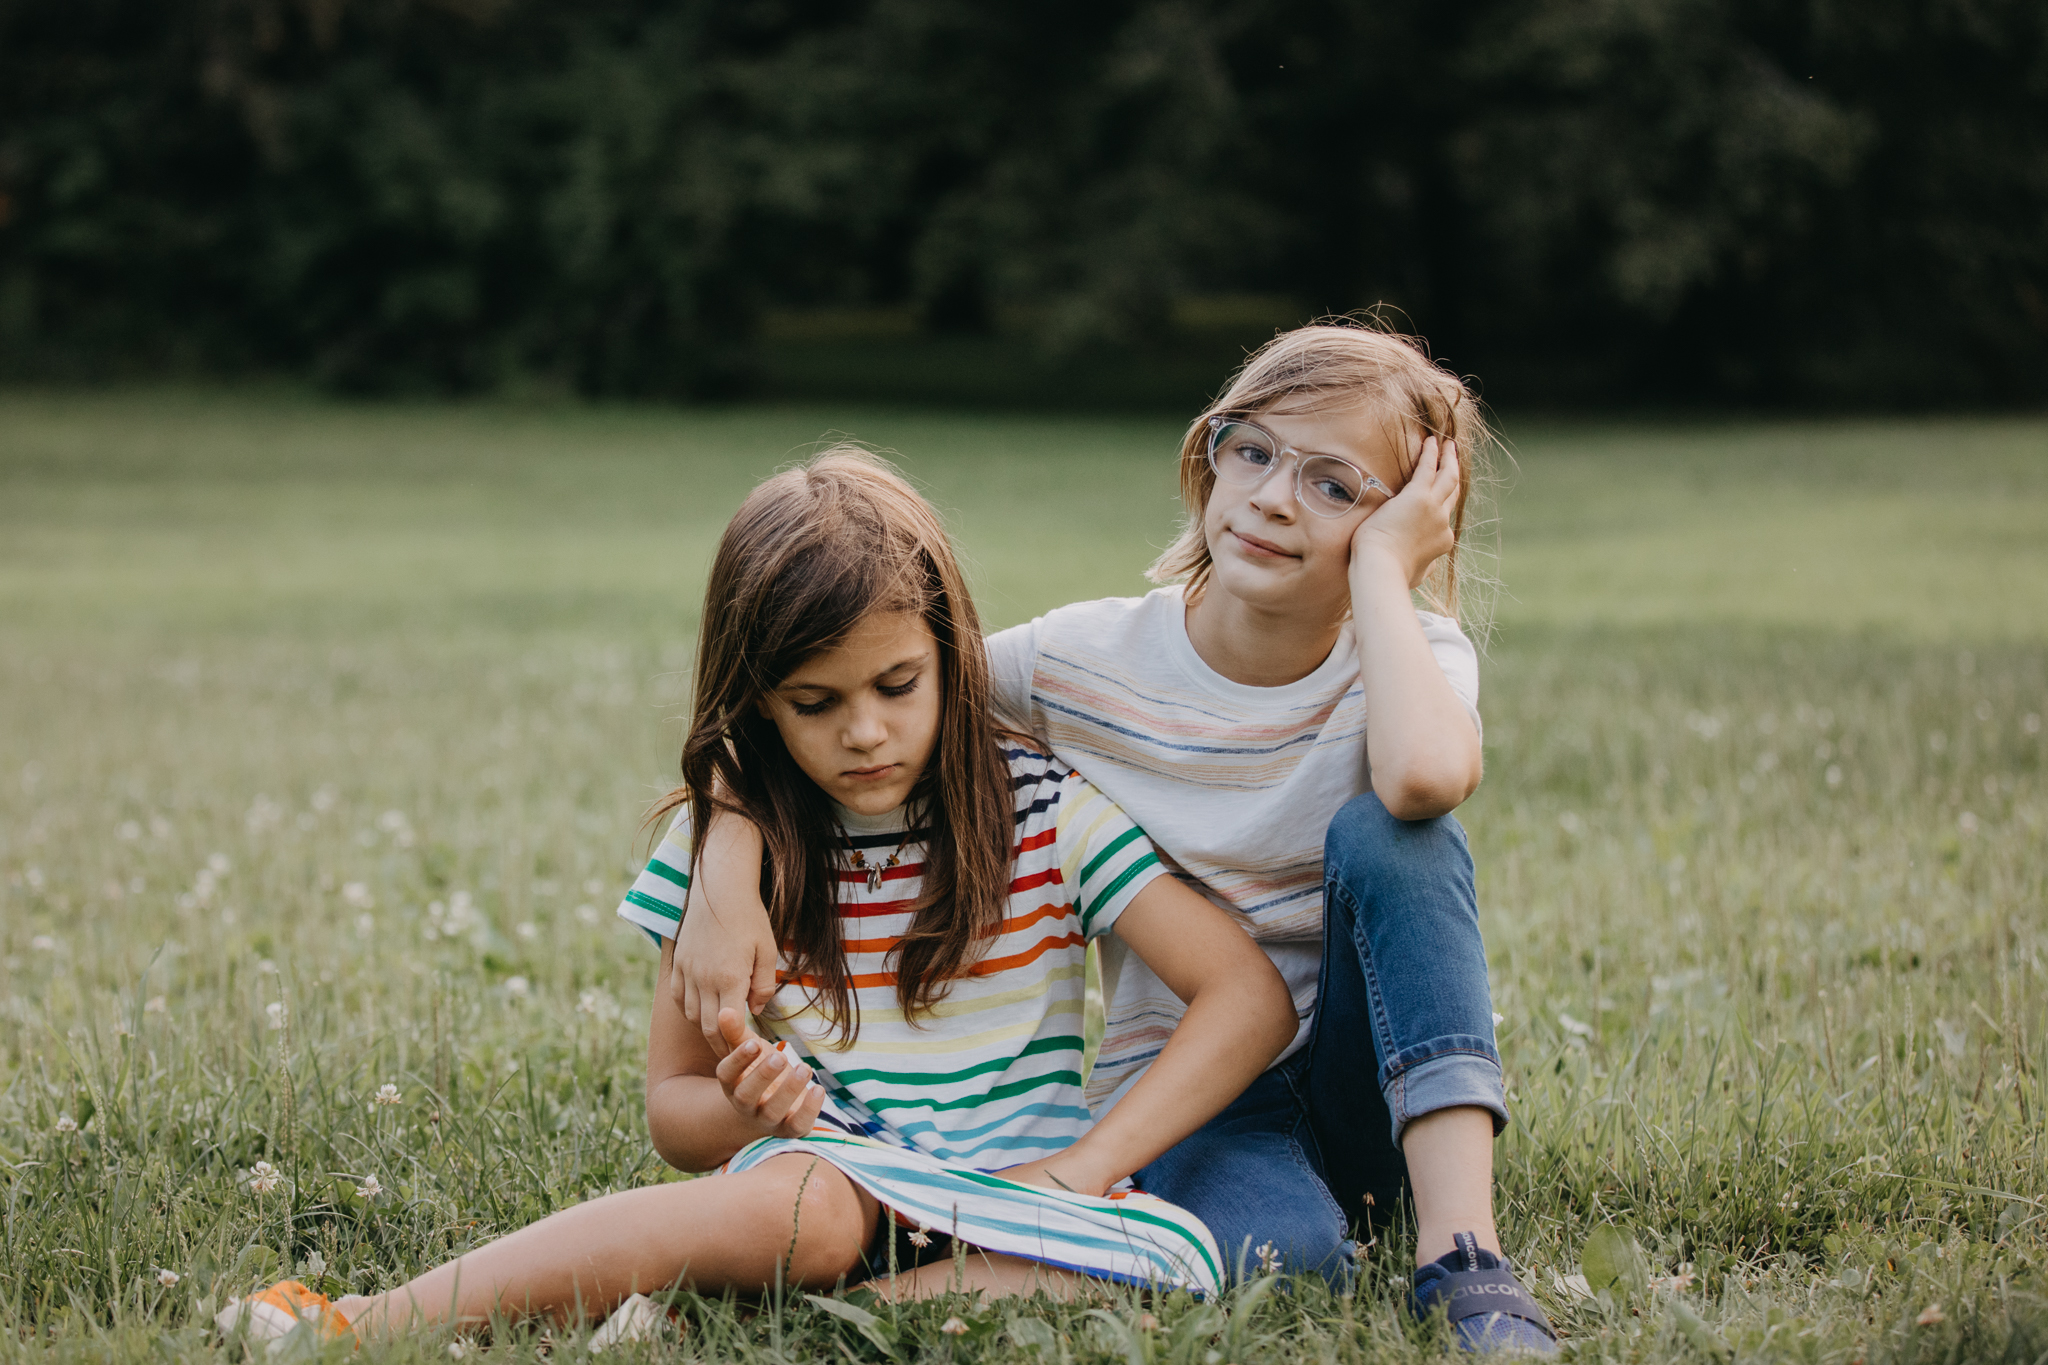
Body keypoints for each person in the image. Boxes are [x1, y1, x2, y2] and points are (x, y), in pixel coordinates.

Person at [215, 451, 1296, 1350]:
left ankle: (745, 1325)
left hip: (1024, 1204)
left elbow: (1245, 994)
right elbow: (675, 1115)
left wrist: (1085, 1167)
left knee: (1174, 1257)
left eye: (895, 686)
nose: (863, 732)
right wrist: (759, 1107)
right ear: (758, 703)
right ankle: (367, 1321)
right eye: (813, 703)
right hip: (830, 1178)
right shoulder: (735, 854)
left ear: (950, 655)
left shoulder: (1046, 812)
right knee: (815, 1216)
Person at [671, 321, 1558, 1351]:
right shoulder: (1077, 660)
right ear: (1206, 457)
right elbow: (842, 702)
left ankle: (1461, 1254)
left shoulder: (1410, 655)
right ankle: (931, 1289)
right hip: (1199, 1097)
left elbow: (1419, 779)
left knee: (1400, 837)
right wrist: (727, 865)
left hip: (1375, 1077)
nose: (1273, 496)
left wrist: (1381, 580)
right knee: (1289, 1258)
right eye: (1254, 451)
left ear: (1412, 520)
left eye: (1335, 486)